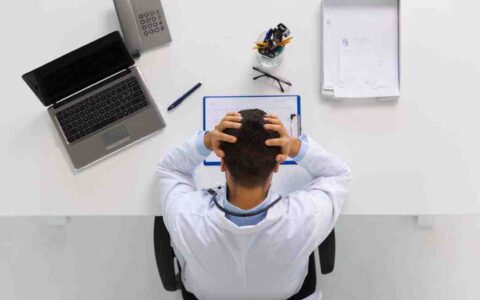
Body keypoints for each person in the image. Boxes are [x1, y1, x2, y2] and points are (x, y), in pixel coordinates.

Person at [157, 109, 351, 300]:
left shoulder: (185, 216)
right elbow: (337, 174)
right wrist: (294, 146)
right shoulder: (306, 217)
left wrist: (207, 141)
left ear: (222, 163)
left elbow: (170, 169)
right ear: (277, 165)